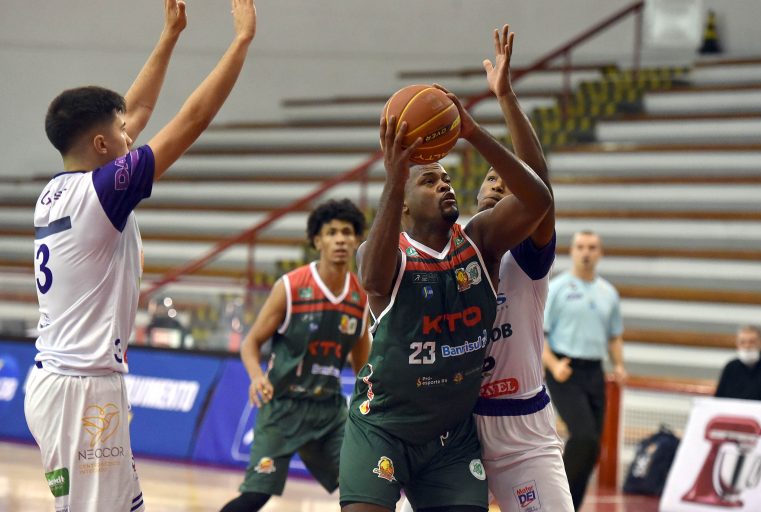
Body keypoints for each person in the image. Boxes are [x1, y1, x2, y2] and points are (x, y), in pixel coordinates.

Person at [24, 1, 257, 510]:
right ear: (101, 144)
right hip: (82, 391)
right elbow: (192, 119)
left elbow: (135, 112)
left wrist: (169, 36)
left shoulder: (57, 190)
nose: (131, 135)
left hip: (60, 382)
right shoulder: (100, 193)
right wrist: (241, 42)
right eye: (121, 133)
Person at [339, 77, 553, 510]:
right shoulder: (382, 252)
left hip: (451, 439)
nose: (444, 184)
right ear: (402, 203)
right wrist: (394, 178)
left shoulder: (480, 241)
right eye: (429, 180)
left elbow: (538, 200)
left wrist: (473, 132)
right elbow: (375, 281)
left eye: (447, 178)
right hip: (383, 427)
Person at [471, 26, 574, 512]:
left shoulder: (526, 256)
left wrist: (506, 98)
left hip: (523, 427)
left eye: (508, 185)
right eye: (491, 178)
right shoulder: (453, 245)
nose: (498, 185)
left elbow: (539, 190)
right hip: (458, 425)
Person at [220, 198, 371, 512]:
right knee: (255, 497)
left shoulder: (361, 297)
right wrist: (257, 377)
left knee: (364, 489)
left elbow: (363, 368)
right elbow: (251, 343)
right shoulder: (290, 286)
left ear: (357, 240)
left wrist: (372, 402)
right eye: (331, 233)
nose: (340, 239)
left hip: (329, 413)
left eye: (347, 232)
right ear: (317, 241)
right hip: (282, 408)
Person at [542, 230, 626, 511]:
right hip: (565, 369)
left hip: (595, 370)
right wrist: (553, 363)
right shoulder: (557, 288)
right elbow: (538, 333)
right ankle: (555, 500)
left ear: (600, 253)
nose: (586, 252)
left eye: (591, 247)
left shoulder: (608, 293)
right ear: (572, 251)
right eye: (580, 247)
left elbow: (614, 336)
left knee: (592, 448)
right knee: (583, 436)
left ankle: (570, 506)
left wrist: (619, 365)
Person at [714, 325, 761, 401]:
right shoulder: (731, 367)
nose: (747, 346)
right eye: (742, 342)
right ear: (737, 344)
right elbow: (718, 398)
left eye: (752, 342)